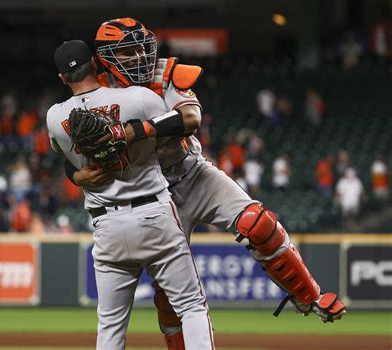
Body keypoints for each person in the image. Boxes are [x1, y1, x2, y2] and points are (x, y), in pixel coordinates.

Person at [66, 18, 346, 349]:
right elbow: (72, 150)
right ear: (105, 58)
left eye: (142, 47)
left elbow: (191, 117)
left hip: (192, 172)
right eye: (128, 51)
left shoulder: (164, 72)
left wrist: (133, 130)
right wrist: (76, 175)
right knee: (171, 299)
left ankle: (309, 295)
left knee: (258, 223)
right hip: (151, 194)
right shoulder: (96, 93)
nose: (140, 55)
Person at [47, 40, 214, 350]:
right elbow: (182, 122)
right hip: (153, 213)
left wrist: (77, 175)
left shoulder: (55, 117)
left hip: (106, 225)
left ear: (62, 78)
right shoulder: (138, 97)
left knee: (109, 327)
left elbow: (67, 159)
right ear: (96, 64)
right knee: (190, 306)